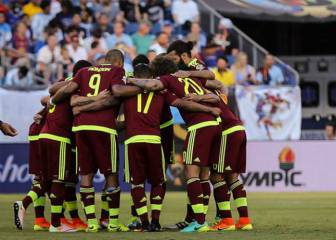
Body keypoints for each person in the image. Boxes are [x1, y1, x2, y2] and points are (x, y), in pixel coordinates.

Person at [128, 56, 222, 233]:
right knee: (203, 174)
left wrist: (131, 79)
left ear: (158, 72)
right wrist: (204, 101)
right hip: (215, 125)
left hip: (200, 126)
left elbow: (157, 88)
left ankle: (199, 222)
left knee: (191, 172)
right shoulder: (190, 77)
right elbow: (216, 93)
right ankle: (199, 219)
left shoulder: (167, 80)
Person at [50, 49, 129, 233]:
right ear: (119, 63)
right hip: (104, 127)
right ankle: (113, 223)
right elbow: (115, 94)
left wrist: (53, 101)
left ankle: (92, 223)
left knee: (86, 174)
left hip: (81, 128)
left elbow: (68, 90)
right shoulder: (117, 72)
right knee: (111, 174)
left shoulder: (84, 71)